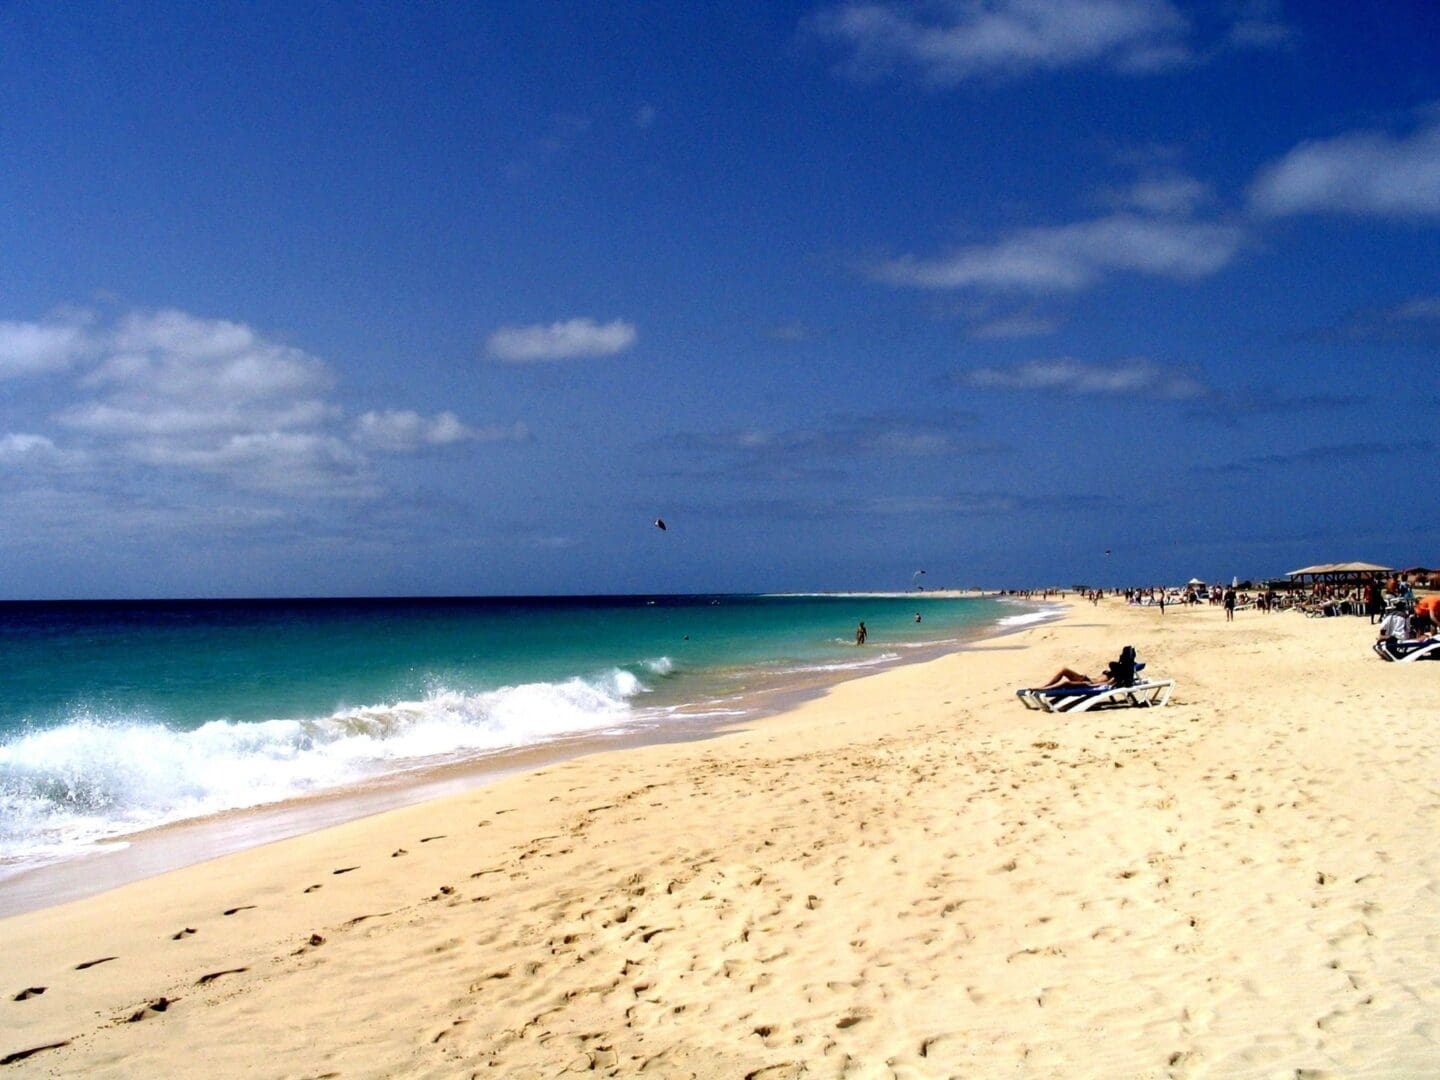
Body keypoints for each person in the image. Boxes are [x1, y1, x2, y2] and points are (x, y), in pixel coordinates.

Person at [1039, 646, 1137, 689]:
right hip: (1086, 679)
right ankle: (1044, 687)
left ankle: (1045, 689)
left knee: (1066, 683)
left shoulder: (1116, 677)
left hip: (1087, 683)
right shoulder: (1114, 673)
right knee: (1063, 669)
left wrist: (1089, 685)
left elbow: (1105, 685)